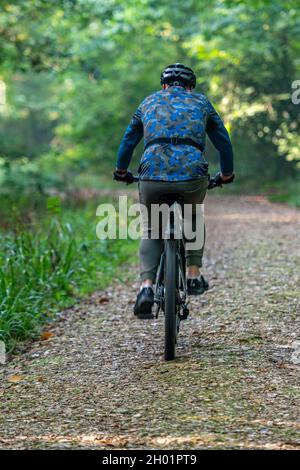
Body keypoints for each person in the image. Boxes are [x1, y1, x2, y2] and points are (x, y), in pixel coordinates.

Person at [114, 63, 234, 318]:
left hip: (152, 174)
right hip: (192, 174)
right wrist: (226, 174)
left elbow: (128, 140)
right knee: (193, 215)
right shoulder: (201, 103)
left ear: (164, 85)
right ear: (191, 86)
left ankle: (146, 287)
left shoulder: (148, 102)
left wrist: (122, 171)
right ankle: (193, 274)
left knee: (152, 228)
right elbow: (223, 142)